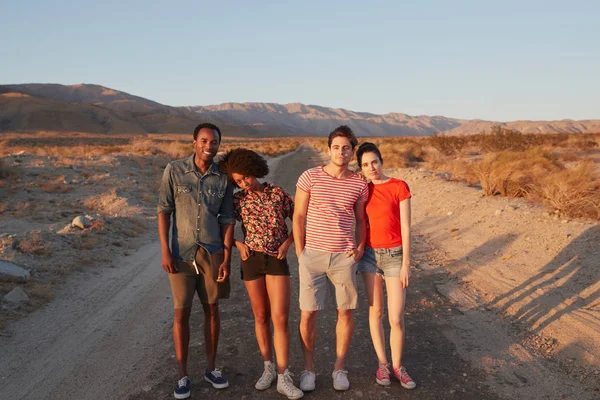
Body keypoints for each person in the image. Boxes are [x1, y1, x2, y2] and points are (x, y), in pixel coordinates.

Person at [157, 122, 235, 399]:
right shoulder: (174, 170)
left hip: (212, 253)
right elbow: (164, 211)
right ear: (194, 142)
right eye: (204, 141)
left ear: (217, 144)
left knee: (212, 310)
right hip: (181, 253)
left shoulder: (223, 178)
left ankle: (211, 369)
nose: (208, 146)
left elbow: (227, 219)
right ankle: (182, 375)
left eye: (213, 142)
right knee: (182, 313)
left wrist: (226, 256)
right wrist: (166, 251)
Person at [218, 148, 304, 400]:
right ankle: (268, 368)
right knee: (260, 316)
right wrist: (237, 244)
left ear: (253, 169)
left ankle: (283, 375)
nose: (244, 183)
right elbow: (221, 227)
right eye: (238, 181)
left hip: (276, 260)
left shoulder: (277, 193)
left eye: (245, 177)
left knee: (280, 318)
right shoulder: (237, 200)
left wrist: (288, 244)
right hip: (251, 260)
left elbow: (299, 221)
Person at [293, 125, 368, 392]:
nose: (341, 151)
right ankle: (309, 370)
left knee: (345, 312)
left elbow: (361, 220)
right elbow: (299, 216)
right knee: (308, 314)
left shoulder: (359, 183)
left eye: (346, 147)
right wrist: (301, 252)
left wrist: (358, 249)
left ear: (352, 151)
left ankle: (339, 368)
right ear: (328, 149)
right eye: (336, 147)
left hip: (343, 258)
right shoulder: (309, 177)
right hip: (312, 255)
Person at [355, 142, 416, 390]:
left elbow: (406, 227)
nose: (372, 168)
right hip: (369, 256)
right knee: (375, 312)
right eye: (366, 165)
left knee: (396, 317)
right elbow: (356, 222)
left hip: (394, 256)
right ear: (361, 168)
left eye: (375, 162)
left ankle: (398, 366)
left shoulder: (398, 186)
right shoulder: (362, 189)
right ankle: (382, 363)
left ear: (381, 160)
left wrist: (406, 263)